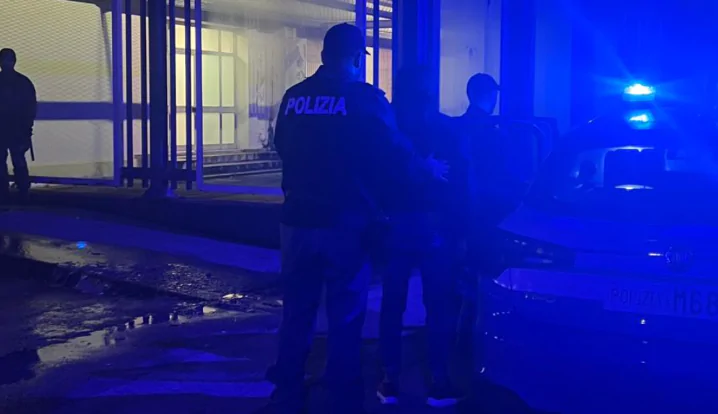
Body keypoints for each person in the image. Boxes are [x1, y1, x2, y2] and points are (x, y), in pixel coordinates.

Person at [266, 24, 448, 414]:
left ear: (323, 55)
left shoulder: (294, 96)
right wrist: (427, 168)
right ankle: (342, 398)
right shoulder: (364, 99)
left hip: (296, 222)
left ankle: (287, 395)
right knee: (345, 315)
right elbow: (394, 150)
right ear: (354, 58)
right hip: (344, 223)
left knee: (296, 311)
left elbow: (281, 145)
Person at [376, 65, 472, 408]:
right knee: (439, 305)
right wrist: (462, 230)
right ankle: (439, 381)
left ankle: (389, 379)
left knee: (392, 304)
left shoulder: (388, 129)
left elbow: (373, 176)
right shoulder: (446, 129)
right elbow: (462, 182)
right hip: (436, 226)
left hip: (394, 225)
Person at [0, 48, 36, 200]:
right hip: (17, 129)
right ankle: (22, 190)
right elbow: (30, 107)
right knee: (18, 159)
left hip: (6, 128)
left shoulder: (21, 82)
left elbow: (30, 107)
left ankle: (4, 191)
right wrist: (27, 128)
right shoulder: (23, 82)